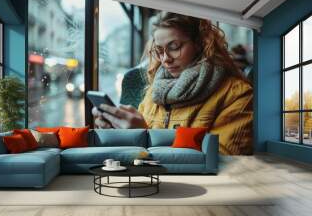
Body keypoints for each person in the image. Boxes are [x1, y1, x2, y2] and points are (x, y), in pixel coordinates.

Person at [92, 12, 253, 155]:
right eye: (159, 51)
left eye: (174, 47)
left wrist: (145, 135)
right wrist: (117, 133)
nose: (165, 59)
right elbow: (138, 152)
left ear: (200, 43)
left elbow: (221, 159)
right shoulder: (154, 90)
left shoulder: (237, 94)